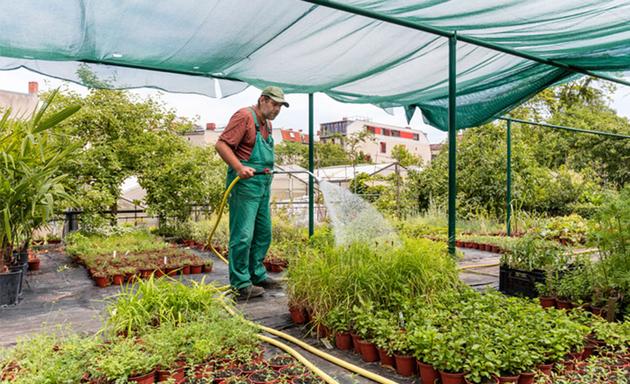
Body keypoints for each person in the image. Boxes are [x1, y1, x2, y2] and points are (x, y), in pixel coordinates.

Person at [215, 86, 289, 300]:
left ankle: (256, 274)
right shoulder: (244, 116)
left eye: (280, 106)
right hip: (244, 185)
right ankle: (240, 282)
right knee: (243, 234)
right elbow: (221, 145)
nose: (276, 109)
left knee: (264, 233)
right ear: (262, 100)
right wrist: (239, 167)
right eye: (274, 104)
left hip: (263, 184)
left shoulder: (268, 124)